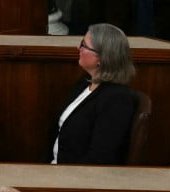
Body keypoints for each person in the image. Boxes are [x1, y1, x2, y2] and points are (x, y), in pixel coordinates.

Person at [45, 23, 137, 165]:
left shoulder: (117, 99)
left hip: (74, 179)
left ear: (102, 57)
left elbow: (99, 158)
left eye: (84, 45)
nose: (78, 48)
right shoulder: (85, 83)